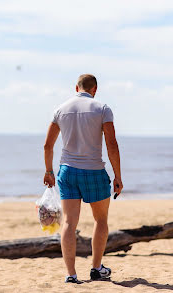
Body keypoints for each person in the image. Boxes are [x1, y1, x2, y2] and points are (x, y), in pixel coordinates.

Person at [43, 74, 123, 284]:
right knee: (101, 220)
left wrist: (49, 172)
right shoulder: (102, 108)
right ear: (94, 89)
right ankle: (96, 268)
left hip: (67, 171)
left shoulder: (60, 109)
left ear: (75, 87)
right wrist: (118, 176)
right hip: (94, 171)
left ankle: (71, 274)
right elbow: (112, 144)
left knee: (69, 222)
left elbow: (48, 146)